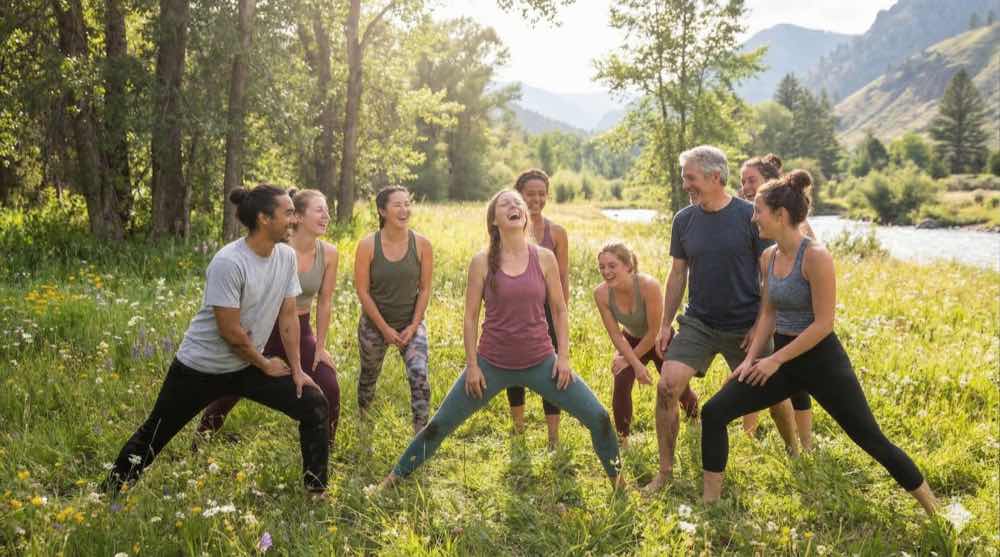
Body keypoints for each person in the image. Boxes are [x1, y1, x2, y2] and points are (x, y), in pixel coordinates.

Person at [700, 170, 938, 515]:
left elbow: (824, 324)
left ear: (780, 215)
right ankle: (711, 504)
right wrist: (750, 360)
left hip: (822, 362)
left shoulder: (816, 257)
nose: (753, 218)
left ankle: (934, 509)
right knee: (714, 412)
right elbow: (768, 314)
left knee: (870, 439)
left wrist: (775, 359)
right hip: (783, 360)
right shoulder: (768, 257)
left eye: (758, 211)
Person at [379, 190, 621, 489]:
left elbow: (559, 310)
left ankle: (619, 486)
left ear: (524, 216)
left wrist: (564, 357)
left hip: (541, 362)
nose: (514, 205)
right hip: (490, 365)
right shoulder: (481, 262)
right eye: (505, 204)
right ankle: (391, 481)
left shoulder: (544, 258)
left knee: (598, 417)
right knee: (439, 425)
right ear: (494, 220)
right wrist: (472, 366)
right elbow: (470, 317)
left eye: (517, 203)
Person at [103, 185, 329, 494]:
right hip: (201, 368)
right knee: (154, 434)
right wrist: (265, 364)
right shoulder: (229, 262)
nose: (294, 219)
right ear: (264, 218)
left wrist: (298, 370)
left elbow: (289, 317)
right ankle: (108, 494)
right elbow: (231, 333)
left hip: (246, 366)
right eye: (288, 213)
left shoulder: (286, 257)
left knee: (313, 403)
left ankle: (315, 492)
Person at [645, 145, 799, 494]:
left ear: (715, 177)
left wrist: (760, 325)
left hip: (746, 325)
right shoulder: (684, 220)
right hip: (699, 322)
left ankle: (794, 452)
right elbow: (678, 273)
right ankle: (665, 472)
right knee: (667, 388)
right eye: (684, 178)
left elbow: (770, 275)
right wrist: (665, 324)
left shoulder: (750, 216)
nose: (686, 185)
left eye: (691, 178)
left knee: (774, 394)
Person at [197, 189, 341, 445]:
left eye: (327, 210)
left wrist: (320, 347)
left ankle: (326, 447)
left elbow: (325, 301)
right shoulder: (279, 247)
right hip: (264, 326)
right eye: (319, 210)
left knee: (329, 384)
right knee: (231, 390)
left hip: (299, 329)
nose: (326, 216)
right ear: (298, 216)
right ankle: (201, 442)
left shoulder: (329, 253)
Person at [738, 154, 814, 447]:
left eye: (752, 180)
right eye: (743, 181)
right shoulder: (751, 215)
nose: (745, 187)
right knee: (753, 367)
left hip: (790, 312)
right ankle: (749, 434)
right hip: (760, 303)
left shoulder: (792, 224)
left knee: (793, 378)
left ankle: (804, 442)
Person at [592, 241, 698, 447]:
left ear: (628, 266)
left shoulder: (649, 286)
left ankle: (694, 417)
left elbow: (653, 332)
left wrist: (632, 361)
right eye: (602, 267)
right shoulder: (601, 294)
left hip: (660, 340)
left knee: (675, 386)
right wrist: (632, 362)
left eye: (612, 265)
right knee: (621, 381)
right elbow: (616, 336)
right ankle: (623, 440)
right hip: (629, 341)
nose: (606, 271)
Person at [354, 185, 434, 435]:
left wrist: (414, 325)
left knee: (419, 375)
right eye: (397, 205)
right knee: (369, 376)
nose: (404, 210)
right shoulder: (368, 245)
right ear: (382, 210)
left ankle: (420, 436)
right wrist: (384, 329)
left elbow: (425, 289)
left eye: (407, 204)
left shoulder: (422, 244)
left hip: (411, 323)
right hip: (374, 325)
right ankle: (364, 422)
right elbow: (363, 292)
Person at [505, 169, 568, 448]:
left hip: (548, 314)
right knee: (513, 365)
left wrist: (561, 316)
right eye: (530, 194)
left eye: (542, 194)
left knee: (552, 370)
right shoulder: (507, 229)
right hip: (515, 311)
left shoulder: (557, 233)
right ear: (518, 195)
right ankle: (518, 430)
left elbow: (563, 278)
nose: (536, 199)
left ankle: (553, 438)